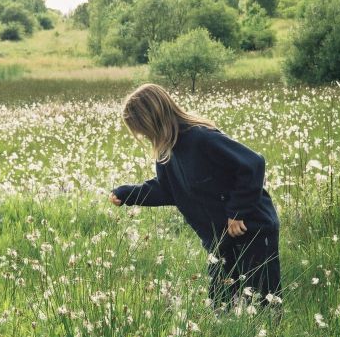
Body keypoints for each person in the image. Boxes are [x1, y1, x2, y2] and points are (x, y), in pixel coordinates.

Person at [109, 83, 281, 311]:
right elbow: (166, 190)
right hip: (220, 240)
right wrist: (126, 194)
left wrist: (238, 212)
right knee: (221, 306)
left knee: (263, 306)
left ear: (153, 119)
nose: (143, 135)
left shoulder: (201, 138)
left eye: (142, 128)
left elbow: (252, 163)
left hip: (252, 230)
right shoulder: (166, 151)